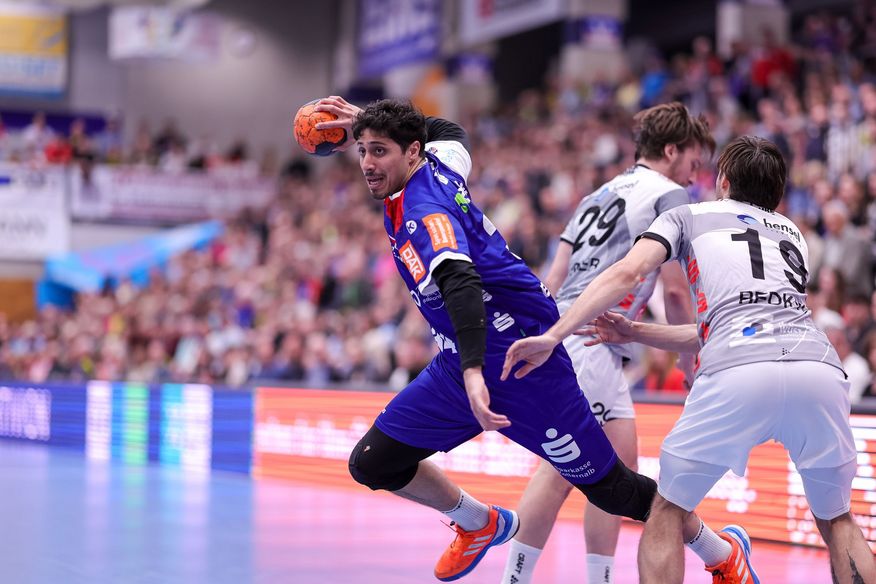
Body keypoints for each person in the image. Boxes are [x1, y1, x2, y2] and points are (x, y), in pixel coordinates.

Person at [313, 96, 720, 582]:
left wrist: (474, 373)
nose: (366, 163)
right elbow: (453, 132)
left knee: (612, 490)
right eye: (362, 150)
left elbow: (461, 284)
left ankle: (718, 551)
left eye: (379, 150)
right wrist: (368, 120)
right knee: (372, 463)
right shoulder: (440, 164)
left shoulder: (425, 208)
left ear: (413, 151)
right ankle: (477, 523)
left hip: (523, 361)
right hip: (465, 357)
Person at [503, 135, 876, 584]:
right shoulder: (792, 233)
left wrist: (555, 333)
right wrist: (635, 331)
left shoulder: (689, 215)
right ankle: (728, 554)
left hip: (737, 369)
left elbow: (628, 272)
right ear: (778, 194)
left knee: (667, 509)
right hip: (816, 367)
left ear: (723, 181)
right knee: (838, 519)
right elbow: (734, 321)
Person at [499, 102, 715, 584]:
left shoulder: (596, 195)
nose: (694, 174)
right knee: (560, 470)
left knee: (619, 468)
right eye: (694, 162)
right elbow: (675, 291)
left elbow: (552, 279)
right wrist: (689, 360)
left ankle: (600, 577)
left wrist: (544, 336)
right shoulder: (670, 195)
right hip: (591, 339)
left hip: (579, 337)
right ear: (672, 151)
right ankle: (513, 579)